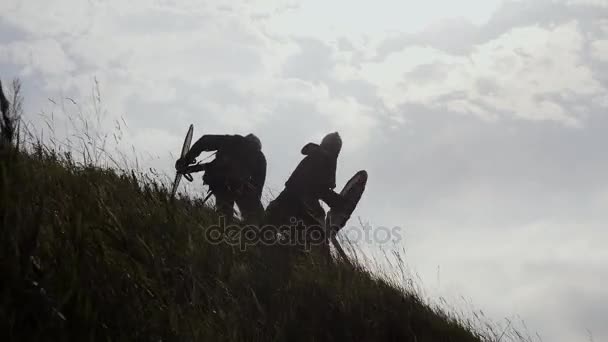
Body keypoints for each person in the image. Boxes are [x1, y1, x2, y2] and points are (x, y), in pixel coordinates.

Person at [265, 132, 345, 254]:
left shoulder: (317, 156)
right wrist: (337, 202)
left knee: (281, 244)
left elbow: (316, 188)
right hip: (293, 206)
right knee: (316, 238)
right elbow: (316, 187)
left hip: (288, 206)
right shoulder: (321, 158)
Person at [175, 133, 266, 223]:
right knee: (254, 218)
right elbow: (258, 187)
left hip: (218, 179)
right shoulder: (259, 157)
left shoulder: (232, 140)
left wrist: (187, 159)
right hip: (233, 184)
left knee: (224, 211)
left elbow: (205, 140)